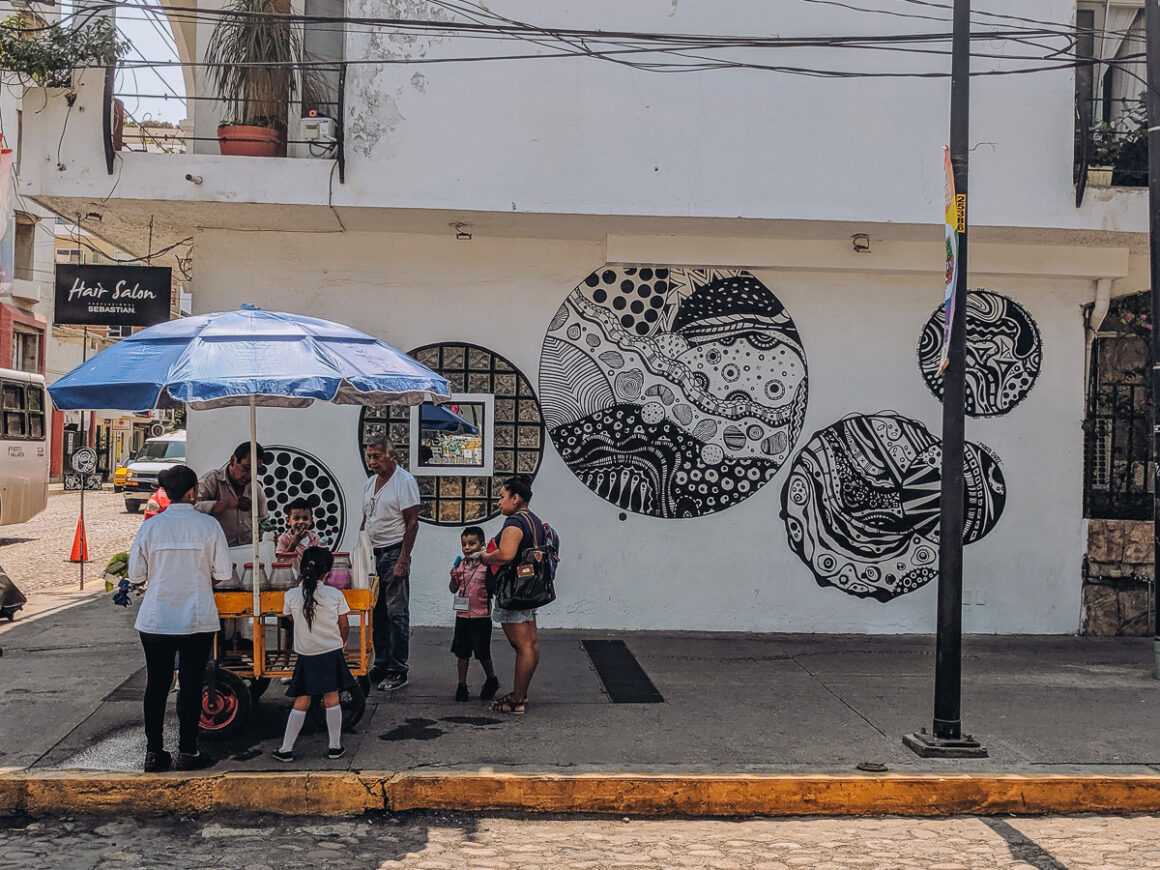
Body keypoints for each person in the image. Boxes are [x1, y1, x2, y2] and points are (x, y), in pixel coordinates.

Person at [128, 464, 232, 772]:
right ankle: (188, 750)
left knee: (156, 686)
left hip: (156, 618)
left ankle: (153, 752)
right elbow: (223, 573)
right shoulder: (208, 526)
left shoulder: (150, 527)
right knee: (190, 685)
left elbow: (135, 574)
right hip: (195, 619)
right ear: (192, 492)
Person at [272, 547, 358, 762]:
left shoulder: (291, 595)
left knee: (301, 700)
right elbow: (344, 625)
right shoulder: (335, 595)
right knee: (331, 698)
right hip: (331, 653)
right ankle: (335, 747)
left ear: (302, 569)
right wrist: (343, 642)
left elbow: (289, 618)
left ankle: (286, 749)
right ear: (327, 572)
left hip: (306, 656)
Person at [479, 475, 543, 715]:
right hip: (530, 589)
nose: (499, 502)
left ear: (515, 498)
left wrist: (484, 557)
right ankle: (521, 694)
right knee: (531, 643)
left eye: (502, 496)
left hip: (514, 591)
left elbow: (505, 555)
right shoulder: (533, 520)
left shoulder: (515, 522)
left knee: (522, 645)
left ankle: (517, 698)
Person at [361, 438, 421, 692]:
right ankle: (382, 663)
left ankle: (398, 669)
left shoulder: (404, 481)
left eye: (377, 456)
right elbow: (366, 519)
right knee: (378, 614)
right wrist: (360, 552)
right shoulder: (369, 483)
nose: (372, 462)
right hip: (373, 553)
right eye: (369, 457)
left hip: (394, 551)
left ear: (391, 455)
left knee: (396, 613)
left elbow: (412, 522)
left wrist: (403, 560)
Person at [449, 525, 499, 702]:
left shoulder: (487, 566)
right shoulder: (461, 565)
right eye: (464, 544)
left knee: (482, 652)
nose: (467, 548)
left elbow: (494, 588)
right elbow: (453, 589)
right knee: (462, 652)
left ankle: (491, 678)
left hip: (481, 616)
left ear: (482, 545)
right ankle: (461, 685)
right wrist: (453, 577)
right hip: (463, 615)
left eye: (472, 543)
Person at [195, 441, 269, 548]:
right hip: (217, 551)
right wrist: (229, 504)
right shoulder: (211, 481)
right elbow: (193, 508)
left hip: (248, 552)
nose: (249, 475)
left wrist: (270, 535)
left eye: (255, 470)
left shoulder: (255, 489)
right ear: (233, 460)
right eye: (246, 468)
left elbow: (264, 521)